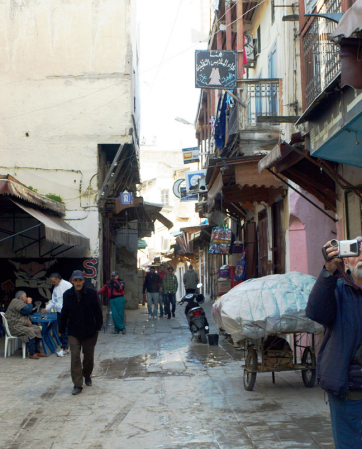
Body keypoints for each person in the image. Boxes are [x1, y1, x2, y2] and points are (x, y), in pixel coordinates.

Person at [306, 237, 362, 448]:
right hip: (349, 393)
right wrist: (329, 270)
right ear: (345, 261)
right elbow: (315, 311)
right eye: (356, 252)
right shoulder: (337, 289)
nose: (361, 257)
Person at [59, 270, 103, 395]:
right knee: (75, 357)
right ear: (72, 281)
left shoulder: (91, 294)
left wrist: (98, 327)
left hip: (90, 331)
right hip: (73, 331)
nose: (78, 283)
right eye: (75, 280)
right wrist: (61, 329)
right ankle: (77, 384)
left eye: (80, 280)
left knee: (88, 358)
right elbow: (64, 312)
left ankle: (87, 374)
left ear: (83, 280)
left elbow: (97, 311)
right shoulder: (67, 294)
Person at [5, 291, 46, 359]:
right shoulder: (16, 302)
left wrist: (28, 320)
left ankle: (37, 351)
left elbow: (25, 313)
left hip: (20, 325)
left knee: (37, 328)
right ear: (22, 297)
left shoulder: (19, 303)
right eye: (25, 296)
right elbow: (28, 311)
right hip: (15, 327)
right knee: (30, 331)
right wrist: (29, 303)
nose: (27, 298)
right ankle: (31, 353)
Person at [41, 272, 72, 357]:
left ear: (58, 279)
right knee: (61, 330)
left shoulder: (67, 285)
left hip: (67, 311)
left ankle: (64, 348)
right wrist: (47, 308)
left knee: (65, 330)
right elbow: (53, 301)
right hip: (59, 312)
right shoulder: (55, 288)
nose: (52, 283)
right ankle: (65, 347)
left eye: (54, 282)